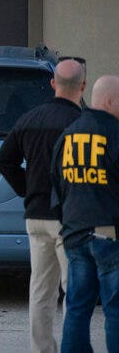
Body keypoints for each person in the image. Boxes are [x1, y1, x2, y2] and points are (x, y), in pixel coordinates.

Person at [0, 58, 86, 353]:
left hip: (35, 215)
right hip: (70, 218)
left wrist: (28, 189)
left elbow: (3, 161)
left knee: (41, 291)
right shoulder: (82, 125)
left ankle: (41, 349)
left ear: (52, 84)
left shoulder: (29, 119)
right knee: (75, 290)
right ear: (82, 87)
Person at [52, 74, 119, 353]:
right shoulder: (114, 134)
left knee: (77, 308)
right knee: (115, 310)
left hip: (75, 234)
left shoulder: (67, 136)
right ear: (110, 100)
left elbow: (56, 186)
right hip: (108, 236)